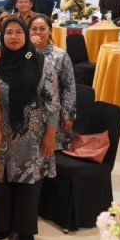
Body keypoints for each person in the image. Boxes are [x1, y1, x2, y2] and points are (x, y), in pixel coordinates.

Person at [0, 18, 60, 240]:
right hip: (0, 133)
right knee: (0, 179)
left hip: (32, 134)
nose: (13, 36)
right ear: (2, 36)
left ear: (26, 34)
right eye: (8, 32)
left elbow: (52, 102)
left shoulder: (41, 62)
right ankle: (1, 226)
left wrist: (50, 134)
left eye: (18, 32)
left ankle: (25, 231)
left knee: (29, 181)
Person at [29, 15, 76, 149]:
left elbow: (69, 86)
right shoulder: (23, 54)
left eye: (42, 29)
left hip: (52, 111)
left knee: (48, 150)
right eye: (34, 29)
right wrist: (30, 49)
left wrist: (67, 114)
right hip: (28, 111)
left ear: (50, 31)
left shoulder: (60, 55)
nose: (38, 32)